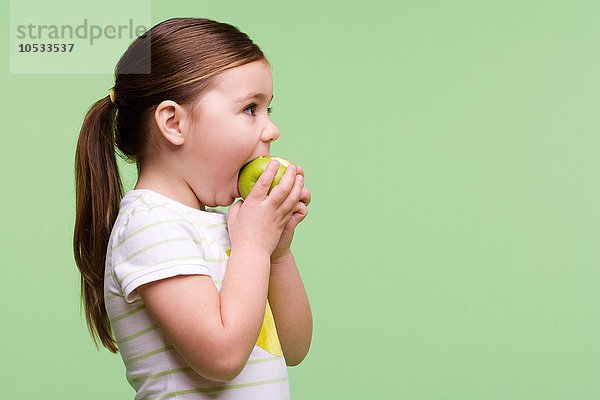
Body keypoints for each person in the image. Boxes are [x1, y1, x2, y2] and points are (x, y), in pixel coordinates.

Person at [73, 17, 312, 399]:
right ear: (173, 123)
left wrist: (277, 252)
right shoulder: (149, 226)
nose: (272, 130)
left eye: (268, 109)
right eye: (251, 108)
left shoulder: (222, 227)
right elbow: (221, 357)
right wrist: (253, 246)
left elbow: (294, 347)